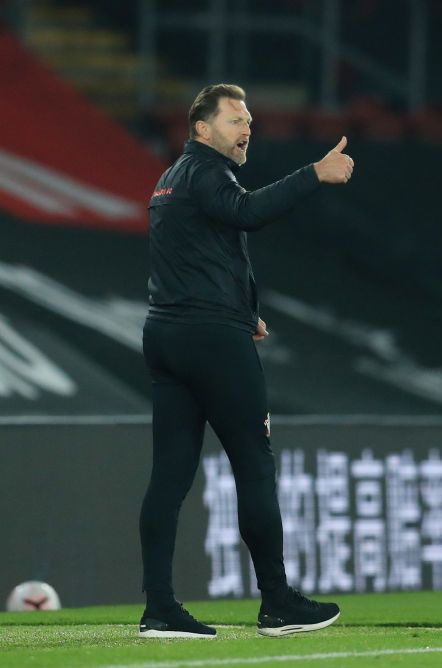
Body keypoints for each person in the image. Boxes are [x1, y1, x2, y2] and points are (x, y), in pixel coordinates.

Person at [139, 83, 355, 639]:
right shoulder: (209, 173)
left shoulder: (170, 179)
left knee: (170, 474)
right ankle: (277, 601)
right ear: (202, 129)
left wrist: (241, 310)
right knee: (254, 464)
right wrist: (314, 174)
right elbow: (247, 213)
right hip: (209, 338)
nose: (247, 128)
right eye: (236, 119)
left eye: (250, 120)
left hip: (168, 333)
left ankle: (159, 607)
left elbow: (199, 250)